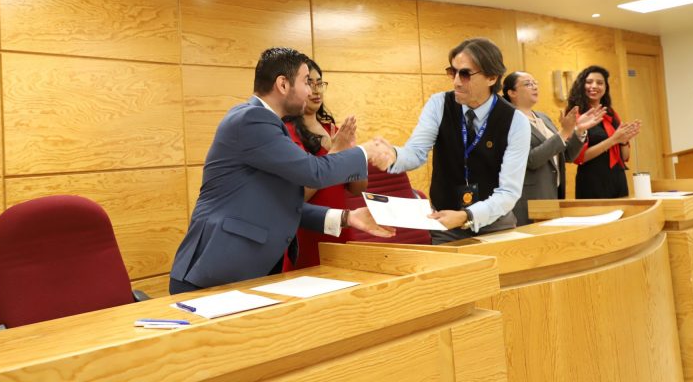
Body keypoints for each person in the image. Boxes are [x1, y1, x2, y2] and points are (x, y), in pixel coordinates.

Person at [170, 47, 395, 293]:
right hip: (213, 273)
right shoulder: (252, 119)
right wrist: (366, 151)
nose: (311, 91)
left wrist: (347, 218)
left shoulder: (268, 125)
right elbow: (313, 172)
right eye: (306, 82)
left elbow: (281, 202)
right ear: (283, 84)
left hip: (245, 272)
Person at [386, 38, 531, 244]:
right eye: (452, 72)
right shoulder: (439, 104)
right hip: (445, 224)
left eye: (465, 74)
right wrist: (392, 155)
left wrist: (467, 216)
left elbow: (508, 192)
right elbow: (416, 152)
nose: (456, 81)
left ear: (491, 77)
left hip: (495, 224)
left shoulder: (515, 121)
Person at [283, 59, 367, 269]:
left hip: (341, 226)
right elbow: (297, 195)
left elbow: (358, 189)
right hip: (308, 230)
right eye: (308, 83)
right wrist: (335, 153)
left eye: (319, 83)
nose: (316, 90)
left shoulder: (334, 130)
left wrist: (354, 154)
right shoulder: (288, 133)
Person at [502, 71, 605, 225]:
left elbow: (566, 155)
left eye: (535, 83)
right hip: (529, 197)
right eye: (528, 84)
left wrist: (579, 130)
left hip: (552, 193)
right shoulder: (509, 120)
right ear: (512, 92)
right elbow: (531, 160)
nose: (534, 87)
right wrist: (564, 132)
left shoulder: (543, 117)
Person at [566, 65, 641, 199]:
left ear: (606, 88)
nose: (594, 86)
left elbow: (624, 157)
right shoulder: (575, 114)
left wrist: (623, 141)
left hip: (618, 178)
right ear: (581, 85)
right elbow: (578, 157)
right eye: (589, 82)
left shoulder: (611, 113)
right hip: (592, 180)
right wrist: (613, 140)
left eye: (600, 83)